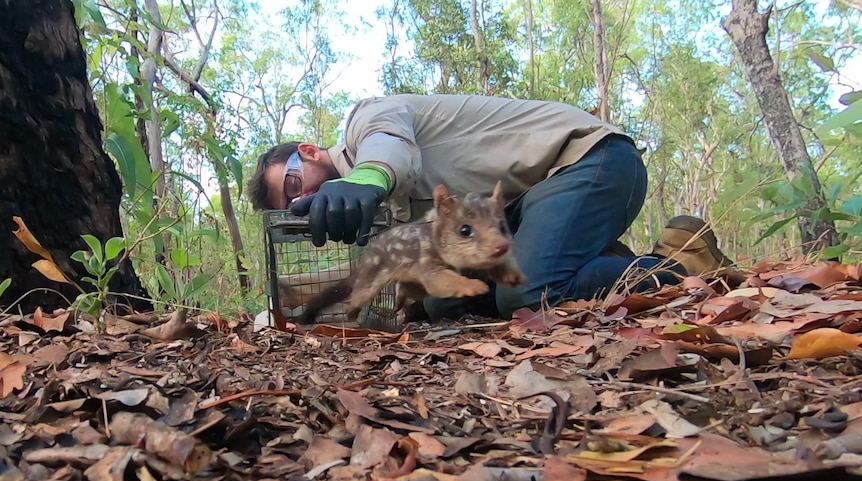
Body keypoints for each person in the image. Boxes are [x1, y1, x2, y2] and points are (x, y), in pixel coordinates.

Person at [247, 94, 744, 322]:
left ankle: (680, 268)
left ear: (310, 152)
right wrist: (298, 297)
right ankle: (624, 260)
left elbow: (390, 149)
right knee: (440, 301)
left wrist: (365, 181)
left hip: (586, 161)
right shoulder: (388, 211)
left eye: (295, 182)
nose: (303, 199)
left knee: (525, 294)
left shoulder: (367, 122)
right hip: (527, 211)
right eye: (291, 202)